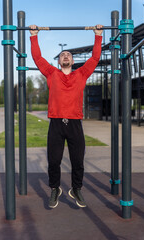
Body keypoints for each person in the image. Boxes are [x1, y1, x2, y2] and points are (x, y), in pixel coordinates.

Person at [29, 24, 103, 208]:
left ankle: (76, 189)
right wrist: (34, 36)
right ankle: (55, 188)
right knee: (53, 161)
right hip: (56, 123)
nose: (66, 56)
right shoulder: (51, 73)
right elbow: (37, 58)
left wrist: (98, 35)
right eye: (63, 55)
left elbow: (95, 57)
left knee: (78, 161)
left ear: (72, 60)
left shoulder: (82, 74)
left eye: (68, 54)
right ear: (59, 61)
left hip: (75, 123)